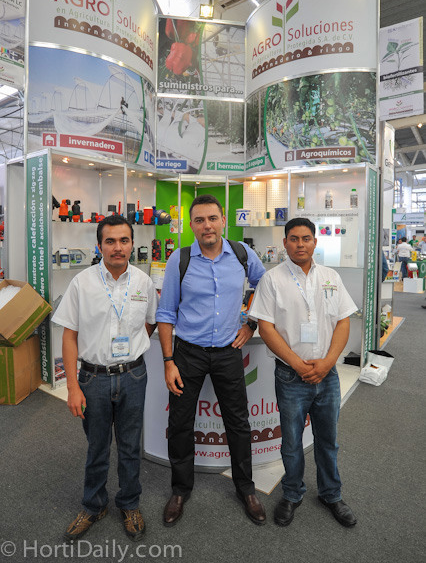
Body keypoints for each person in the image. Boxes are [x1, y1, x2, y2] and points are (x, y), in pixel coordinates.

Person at [156, 194, 266, 527]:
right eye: (200, 220)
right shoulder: (179, 259)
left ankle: (246, 489)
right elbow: (166, 312)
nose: (207, 225)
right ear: (191, 225)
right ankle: (180, 490)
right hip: (187, 353)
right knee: (180, 423)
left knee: (238, 423)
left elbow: (266, 287)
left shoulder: (243, 255)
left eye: (213, 218)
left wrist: (251, 323)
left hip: (228, 353)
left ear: (223, 221)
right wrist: (168, 360)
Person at [52, 215, 157, 542]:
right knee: (97, 446)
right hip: (93, 379)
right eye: (110, 241)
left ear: (132, 244)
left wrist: (132, 349)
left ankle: (129, 503)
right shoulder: (81, 283)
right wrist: (72, 387)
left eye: (124, 240)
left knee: (130, 445)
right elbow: (69, 337)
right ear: (99, 245)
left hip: (133, 375)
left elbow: (149, 323)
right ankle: (93, 505)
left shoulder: (143, 282)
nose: (117, 247)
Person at [249, 217, 358, 529]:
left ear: (315, 242)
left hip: (328, 375)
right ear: (285, 243)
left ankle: (331, 494)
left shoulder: (330, 277)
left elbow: (343, 321)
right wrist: (298, 364)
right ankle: (292, 493)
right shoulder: (272, 279)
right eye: (294, 239)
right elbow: (266, 328)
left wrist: (328, 362)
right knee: (292, 443)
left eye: (306, 238)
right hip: (290, 377)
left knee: (328, 440)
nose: (300, 244)